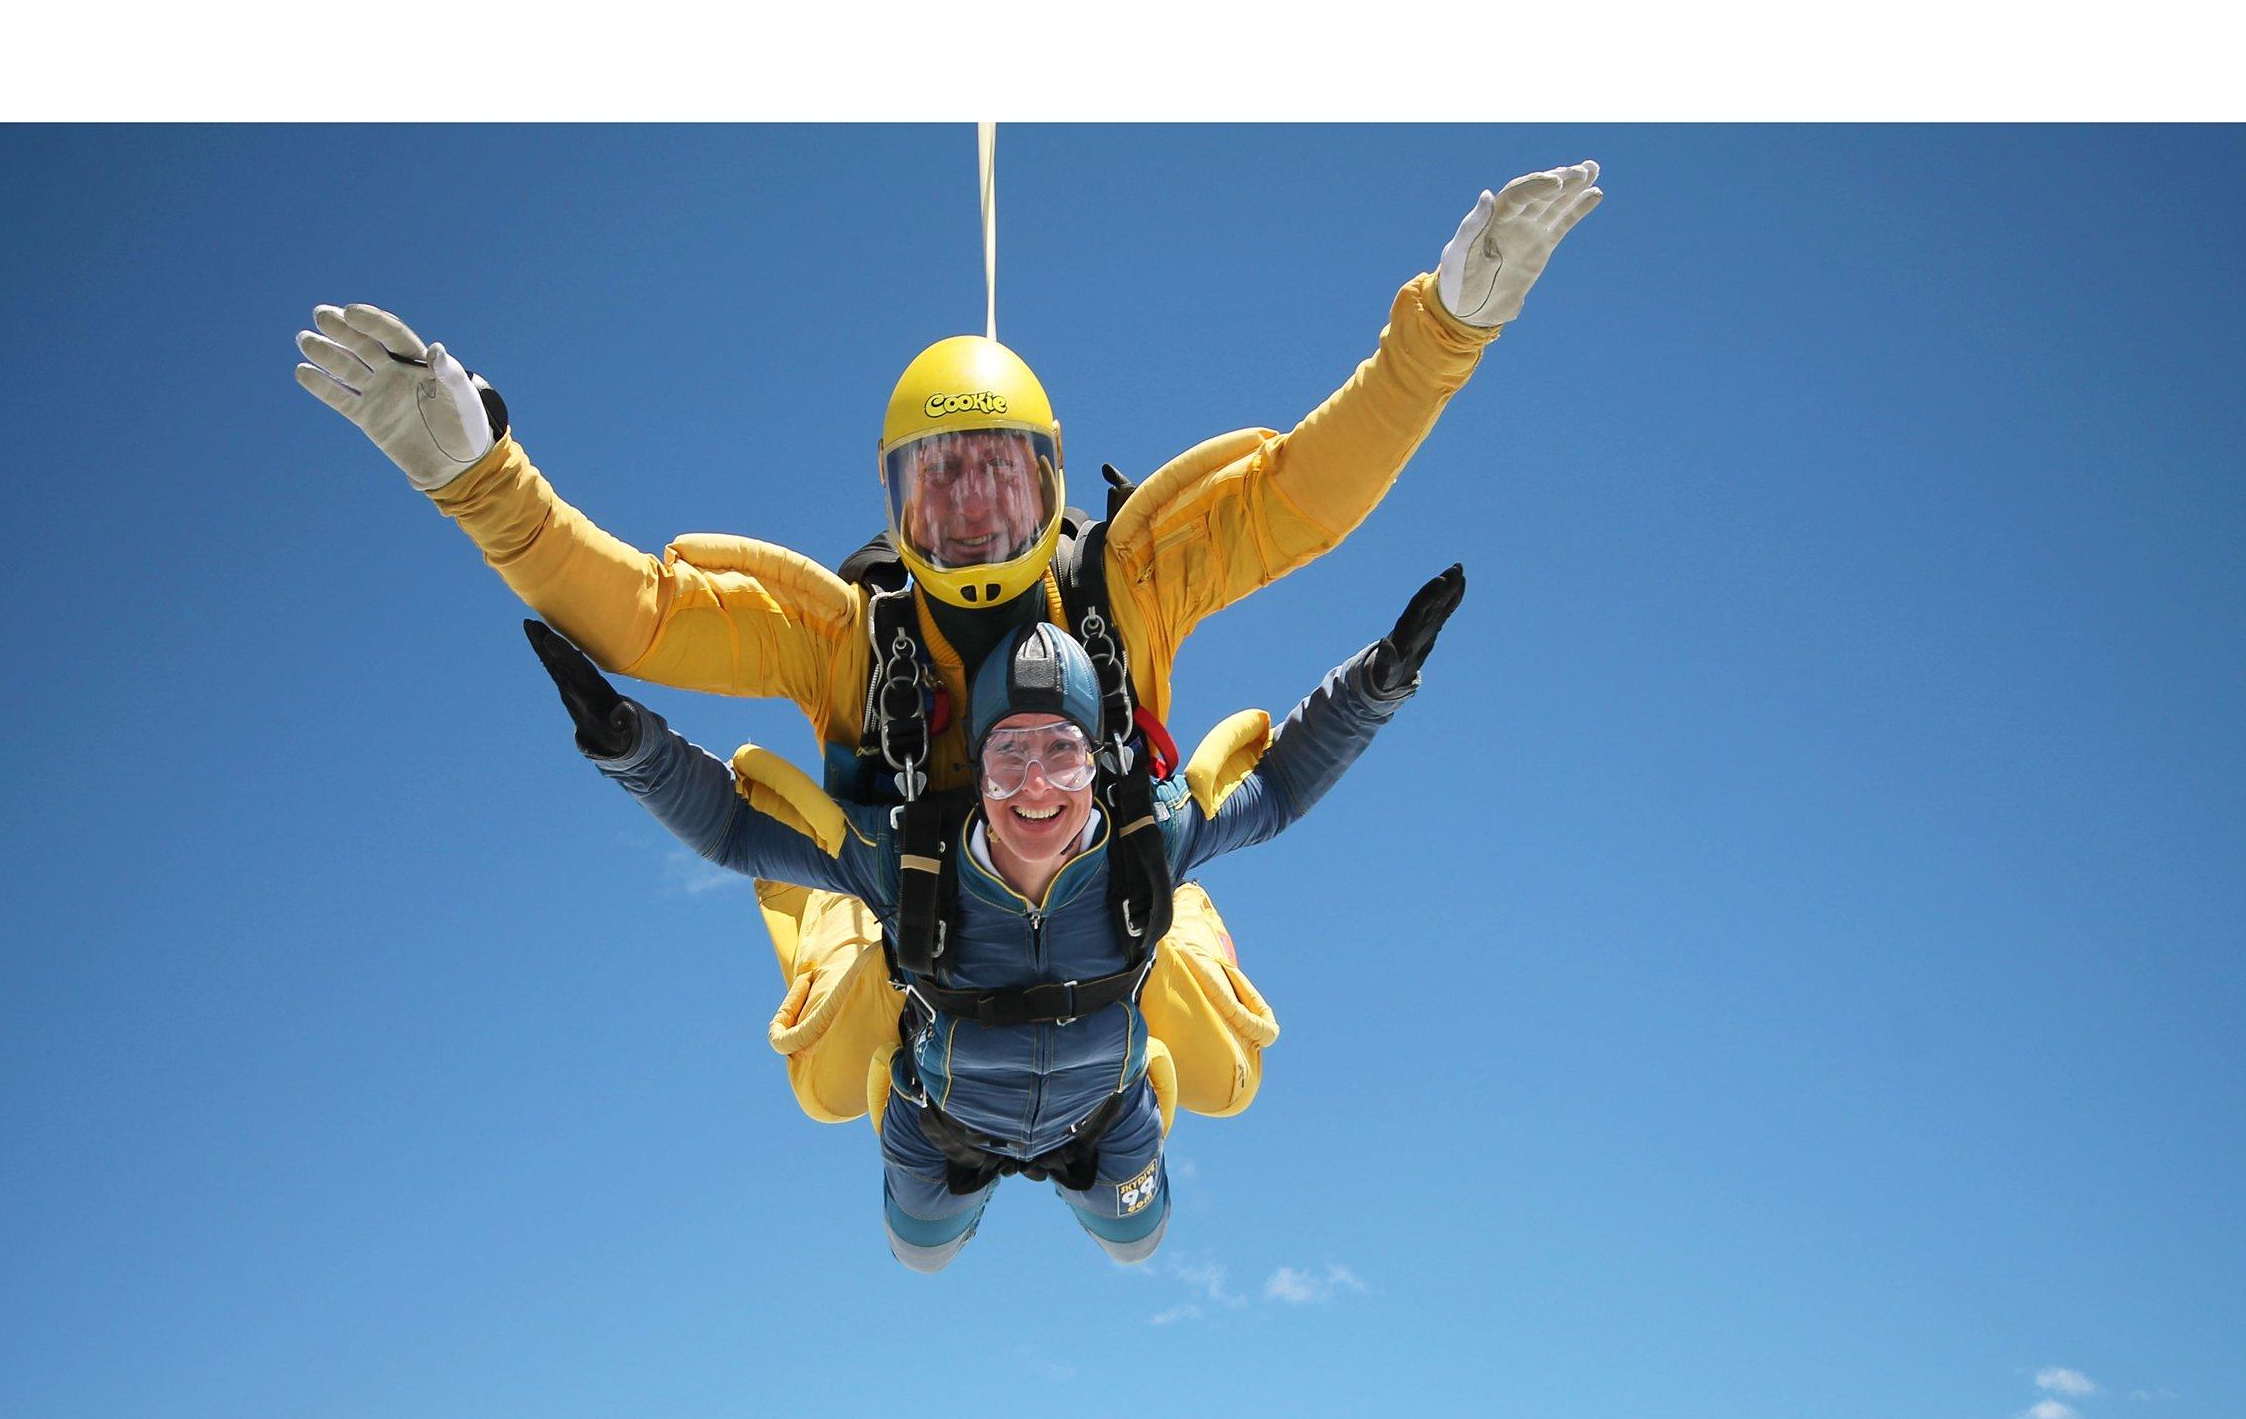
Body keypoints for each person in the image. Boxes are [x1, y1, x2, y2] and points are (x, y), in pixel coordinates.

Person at [294, 161, 1598, 1128]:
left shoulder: (1129, 586)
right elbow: (641, 615)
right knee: (837, 1062)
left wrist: (1445, 329)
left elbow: (1301, 497)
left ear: (1050, 480)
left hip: (1106, 901)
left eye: (1000, 476)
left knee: (1217, 1063)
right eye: (938, 483)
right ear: (894, 502)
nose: (972, 511)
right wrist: (480, 480)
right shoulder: (849, 639)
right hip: (902, 927)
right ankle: (926, 1068)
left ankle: (1115, 1064)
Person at [523, 564, 1466, 1270]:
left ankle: (1166, 1041)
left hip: (1108, 1113)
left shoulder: (1148, 841)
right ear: (975, 769)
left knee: (1137, 1241)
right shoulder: (907, 859)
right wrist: (626, 742)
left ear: (1096, 759)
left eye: (1062, 752)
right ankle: (908, 1105)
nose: (1036, 787)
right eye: (1008, 755)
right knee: (920, 1254)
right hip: (939, 1121)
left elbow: (1279, 786)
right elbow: (737, 830)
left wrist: (1379, 680)